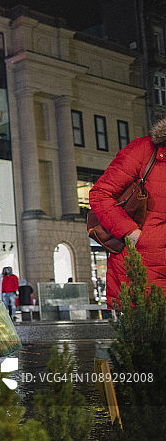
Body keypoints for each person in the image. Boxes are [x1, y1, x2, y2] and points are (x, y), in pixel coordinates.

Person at [89, 116, 166, 308]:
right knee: (150, 335)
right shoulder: (144, 150)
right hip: (143, 265)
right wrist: (131, 233)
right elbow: (100, 194)